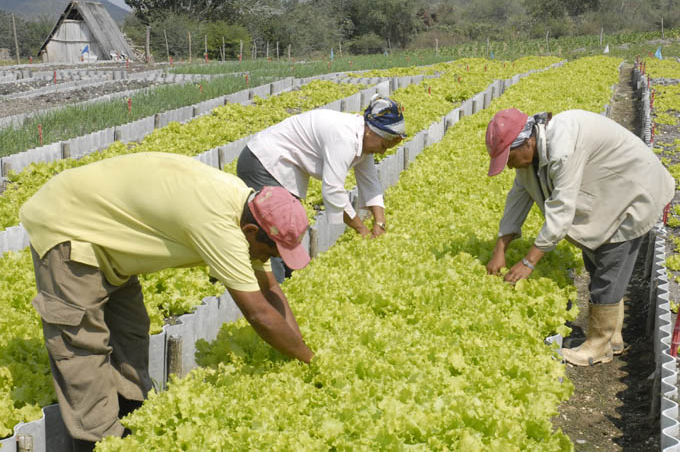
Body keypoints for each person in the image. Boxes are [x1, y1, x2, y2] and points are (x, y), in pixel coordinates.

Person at [19, 152, 314, 451]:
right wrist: (310, 362)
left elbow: (271, 291)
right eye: (270, 253)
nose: (268, 261)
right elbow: (259, 314)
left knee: (131, 333)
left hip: (111, 235)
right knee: (83, 346)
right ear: (251, 233)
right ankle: (98, 442)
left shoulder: (251, 212)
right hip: (68, 225)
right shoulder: (220, 226)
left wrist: (301, 348)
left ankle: (134, 425)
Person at [484, 108, 674, 367]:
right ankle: (613, 338)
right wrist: (500, 248)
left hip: (633, 190)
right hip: (607, 193)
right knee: (597, 264)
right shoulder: (532, 153)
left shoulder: (561, 146)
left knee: (610, 267)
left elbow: (561, 213)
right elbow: (518, 198)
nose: (508, 165)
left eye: (509, 157)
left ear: (527, 142)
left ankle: (598, 346)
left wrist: (528, 262)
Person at [237, 94, 406, 240]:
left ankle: (281, 275)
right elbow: (332, 191)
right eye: (383, 145)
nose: (382, 152)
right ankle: (266, 276)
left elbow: (370, 183)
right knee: (272, 234)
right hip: (263, 162)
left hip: (278, 165)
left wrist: (379, 223)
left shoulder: (363, 139)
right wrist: (361, 229)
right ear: (372, 132)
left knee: (284, 231)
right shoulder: (345, 137)